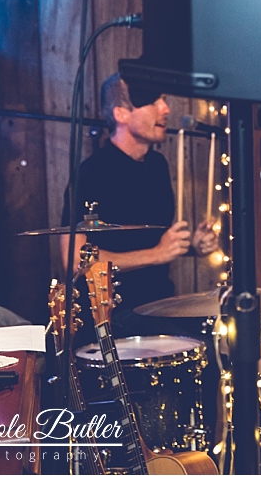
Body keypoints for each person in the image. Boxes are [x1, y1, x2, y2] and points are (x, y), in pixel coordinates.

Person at [60, 73, 219, 339]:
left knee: (224, 334)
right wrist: (157, 254)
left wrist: (191, 246)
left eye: (164, 100)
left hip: (159, 304)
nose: (165, 109)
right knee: (196, 346)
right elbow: (74, 260)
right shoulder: (93, 173)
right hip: (112, 315)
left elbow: (151, 242)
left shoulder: (157, 165)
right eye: (152, 101)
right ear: (121, 114)